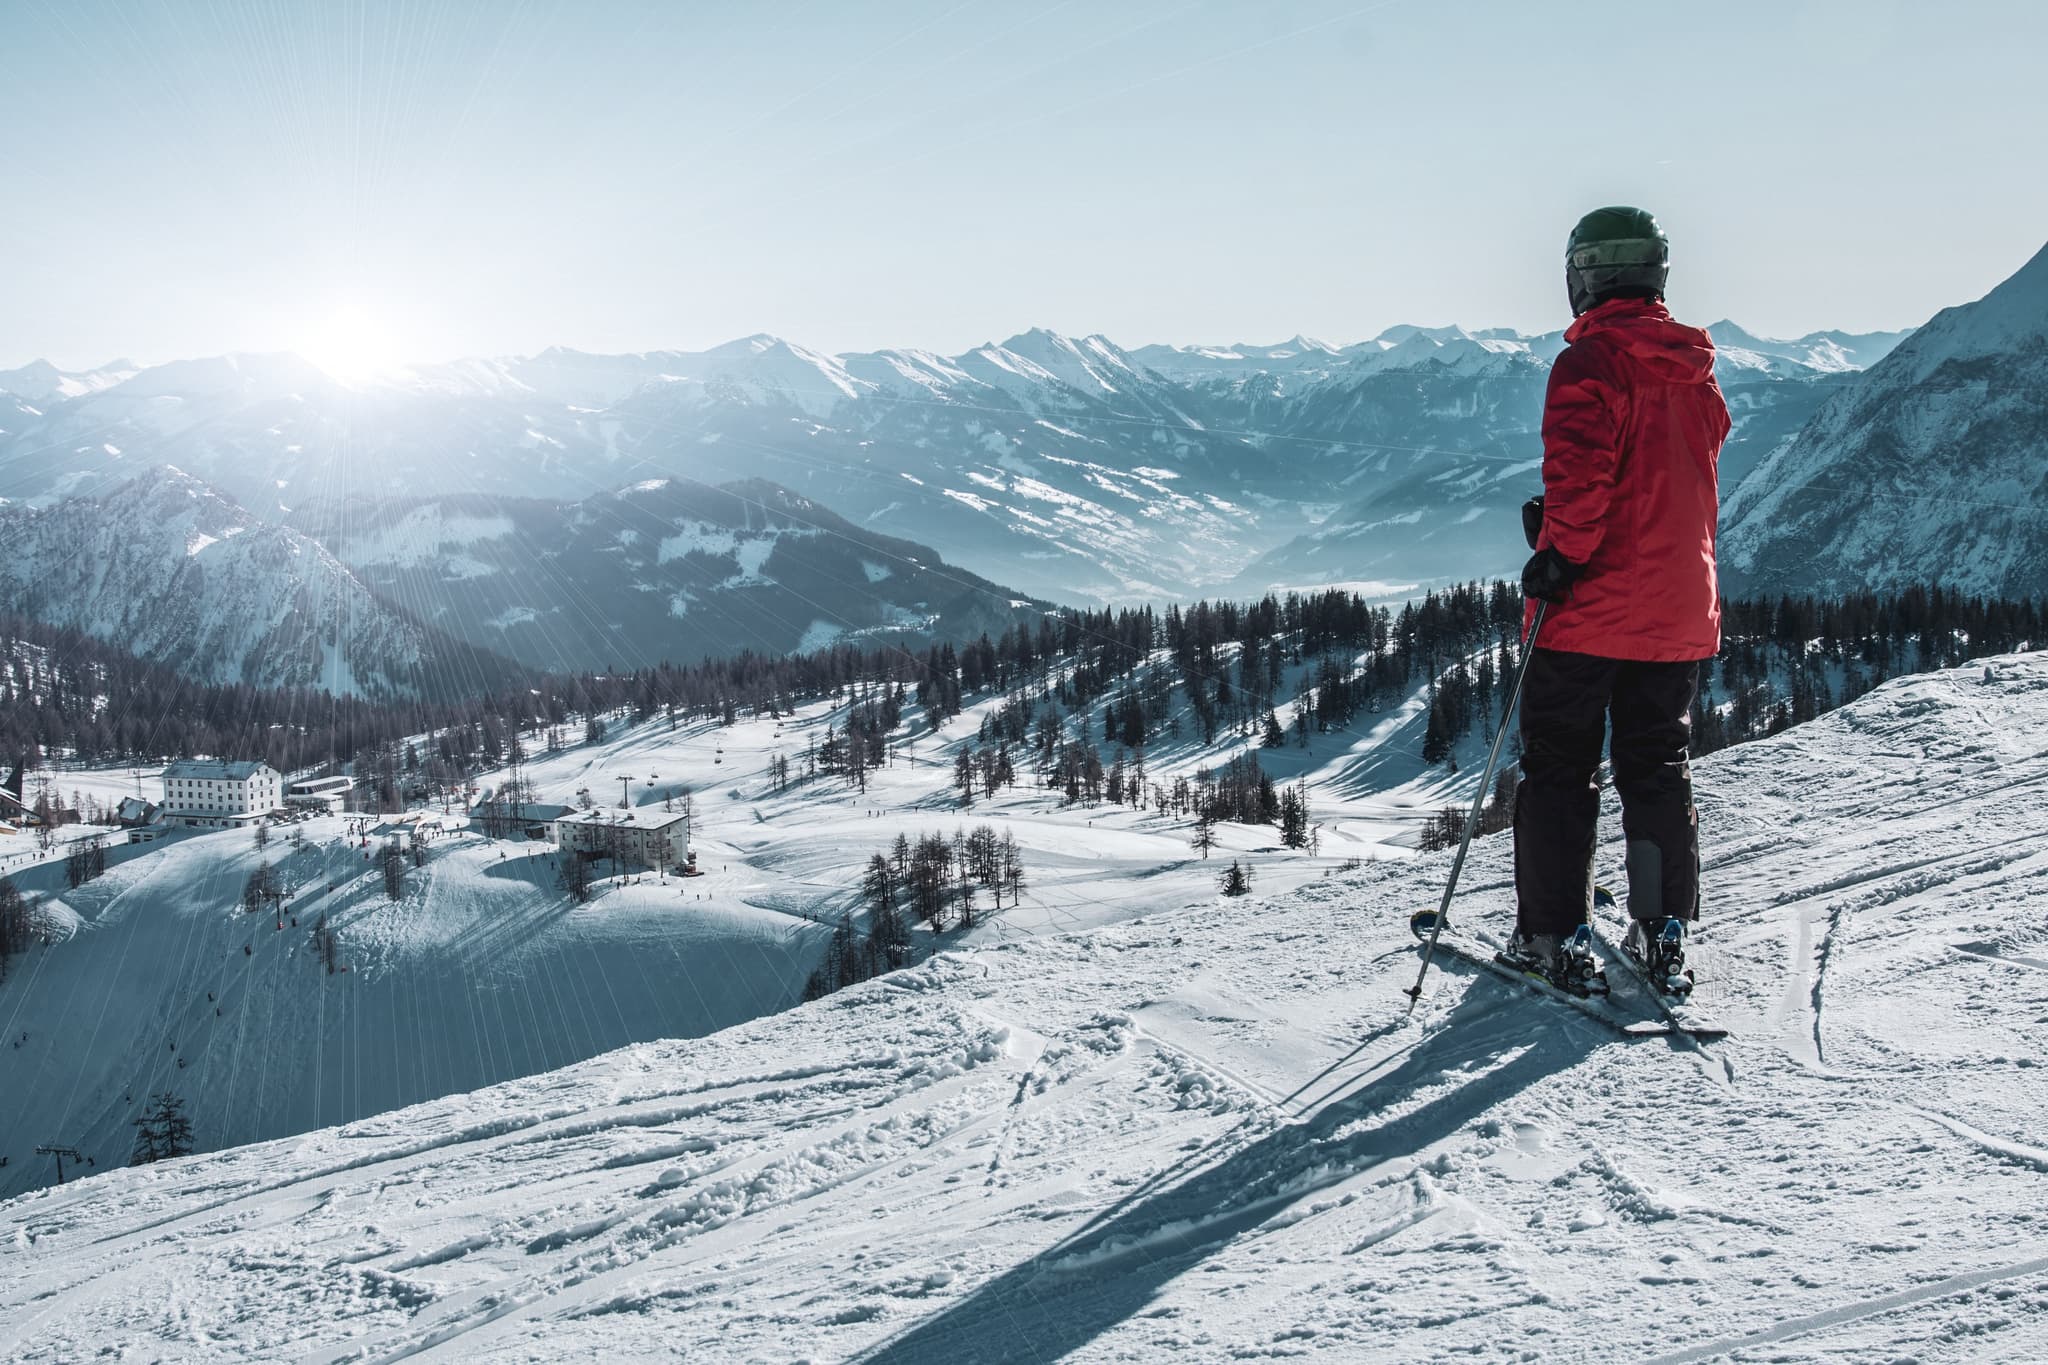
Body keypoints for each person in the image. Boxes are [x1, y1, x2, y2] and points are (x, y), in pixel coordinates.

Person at [1509, 206, 1729, 996]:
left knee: (1560, 767)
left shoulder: (1591, 364)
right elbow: (1671, 478)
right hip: (1678, 609)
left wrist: (1555, 551)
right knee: (1656, 766)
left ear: (1585, 278)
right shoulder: (1696, 372)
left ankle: (1551, 934)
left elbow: (1583, 479)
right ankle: (1660, 926)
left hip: (1591, 610)